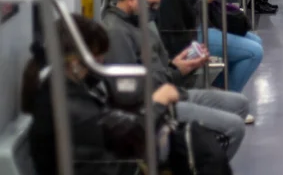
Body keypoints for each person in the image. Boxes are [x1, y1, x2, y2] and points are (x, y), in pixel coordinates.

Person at [22, 13, 215, 175]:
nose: (101, 64)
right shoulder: (70, 107)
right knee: (201, 153)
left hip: (112, 164)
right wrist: (158, 101)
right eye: (96, 59)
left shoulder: (64, 89)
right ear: (75, 62)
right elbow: (133, 134)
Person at [102, 0, 249, 158]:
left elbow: (161, 69)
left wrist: (179, 66)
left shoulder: (140, 22)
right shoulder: (117, 32)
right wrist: (173, 72)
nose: (154, 11)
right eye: (151, 5)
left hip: (172, 90)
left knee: (240, 104)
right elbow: (127, 90)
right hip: (157, 106)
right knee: (234, 128)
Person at [154, 0, 264, 100]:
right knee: (254, 52)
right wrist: (204, 1)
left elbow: (191, 3)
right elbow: (179, 21)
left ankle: (219, 90)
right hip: (188, 37)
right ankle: (228, 100)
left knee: (256, 41)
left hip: (200, 26)